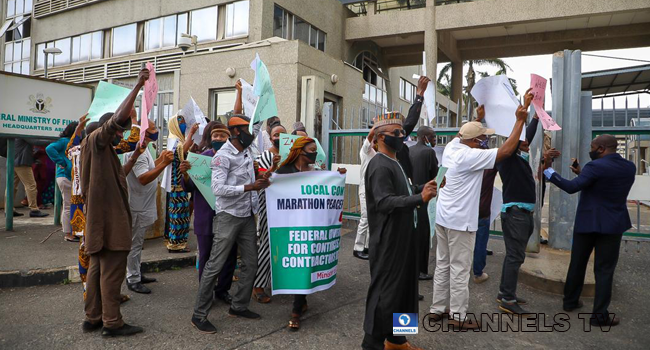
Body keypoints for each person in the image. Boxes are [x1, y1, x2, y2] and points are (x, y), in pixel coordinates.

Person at [430, 90, 532, 329]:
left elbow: (463, 133)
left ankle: (437, 309)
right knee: (460, 269)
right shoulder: (470, 155)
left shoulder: (453, 147)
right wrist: (519, 120)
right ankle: (458, 316)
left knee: (443, 264)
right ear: (474, 142)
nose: (484, 141)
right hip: (459, 222)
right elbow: (506, 151)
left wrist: (479, 118)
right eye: (482, 138)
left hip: (444, 217)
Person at [80, 68, 149, 337]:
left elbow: (117, 177)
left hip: (99, 223)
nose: (122, 135)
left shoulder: (99, 152)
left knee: (97, 271)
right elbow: (116, 122)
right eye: (121, 131)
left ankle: (93, 317)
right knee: (111, 273)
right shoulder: (97, 140)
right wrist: (137, 86)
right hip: (109, 224)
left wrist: (134, 157)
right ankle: (112, 322)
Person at [362, 113, 437, 350]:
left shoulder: (394, 162)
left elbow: (402, 190)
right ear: (380, 137)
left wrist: (421, 188)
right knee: (386, 296)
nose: (402, 136)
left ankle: (398, 341)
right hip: (389, 243)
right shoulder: (379, 164)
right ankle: (372, 343)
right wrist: (418, 198)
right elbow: (384, 202)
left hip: (405, 239)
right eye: (396, 133)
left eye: (402, 132)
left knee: (406, 292)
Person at [543, 134, 635, 327]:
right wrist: (582, 173)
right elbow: (602, 185)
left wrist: (548, 171)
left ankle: (570, 302)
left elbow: (570, 188)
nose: (590, 150)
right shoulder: (629, 167)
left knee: (578, 262)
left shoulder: (595, 167)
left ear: (601, 149)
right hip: (613, 225)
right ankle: (600, 316)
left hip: (588, 223)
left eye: (592, 147)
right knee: (604, 270)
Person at [191, 115, 270, 334]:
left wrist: (262, 180)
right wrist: (249, 187)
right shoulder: (222, 156)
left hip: (247, 215)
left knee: (251, 262)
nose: (251, 135)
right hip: (228, 216)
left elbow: (253, 180)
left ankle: (239, 306)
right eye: (247, 130)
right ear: (235, 132)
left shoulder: (246, 152)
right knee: (215, 264)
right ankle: (199, 315)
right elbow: (218, 189)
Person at [270, 136, 346, 331]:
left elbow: (327, 190)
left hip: (311, 228)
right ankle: (298, 307)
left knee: (307, 264)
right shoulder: (284, 172)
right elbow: (272, 190)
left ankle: (297, 307)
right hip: (290, 226)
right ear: (300, 151)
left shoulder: (316, 173)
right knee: (297, 264)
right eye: (312, 150)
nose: (315, 153)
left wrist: (338, 176)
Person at [68, 112, 140, 301]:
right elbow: (131, 143)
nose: (118, 136)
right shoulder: (101, 147)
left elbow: (69, 145)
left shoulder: (75, 149)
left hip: (77, 205)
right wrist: (135, 120)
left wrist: (78, 129)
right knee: (99, 255)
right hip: (92, 205)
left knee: (87, 251)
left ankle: (89, 293)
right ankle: (99, 298)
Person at [181, 123, 238, 305]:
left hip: (229, 214)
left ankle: (223, 290)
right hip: (206, 215)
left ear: (229, 138)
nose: (218, 139)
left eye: (223, 136)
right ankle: (205, 293)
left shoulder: (236, 159)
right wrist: (186, 174)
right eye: (216, 136)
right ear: (210, 138)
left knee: (229, 255)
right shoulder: (200, 159)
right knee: (206, 255)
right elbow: (188, 187)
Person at [495, 108, 542, 314]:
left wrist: (535, 118)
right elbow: (519, 139)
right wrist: (520, 121)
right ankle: (507, 298)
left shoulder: (520, 159)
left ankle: (505, 292)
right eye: (521, 143)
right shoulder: (507, 158)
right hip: (515, 214)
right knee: (515, 256)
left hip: (521, 214)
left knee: (514, 255)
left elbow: (527, 137)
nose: (526, 145)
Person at [123, 120, 173, 294]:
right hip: (137, 205)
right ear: (143, 132)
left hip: (143, 203)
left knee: (138, 242)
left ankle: (136, 272)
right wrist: (165, 164)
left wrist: (161, 159)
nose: (157, 130)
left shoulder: (144, 148)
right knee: (134, 244)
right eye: (152, 128)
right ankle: (133, 279)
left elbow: (151, 166)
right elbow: (143, 177)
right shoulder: (136, 150)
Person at [252, 123, 286, 303]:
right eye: (275, 135)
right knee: (266, 243)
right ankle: (257, 285)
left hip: (288, 207)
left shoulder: (292, 155)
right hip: (269, 206)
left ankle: (278, 281)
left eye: (283, 134)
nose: (279, 138)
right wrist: (274, 166)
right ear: (270, 137)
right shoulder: (265, 156)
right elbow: (263, 180)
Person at [409, 125, 439, 280]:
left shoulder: (410, 151)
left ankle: (414, 268)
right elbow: (436, 176)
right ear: (424, 137)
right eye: (433, 137)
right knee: (424, 236)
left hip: (411, 197)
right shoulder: (429, 152)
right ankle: (421, 270)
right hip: (425, 198)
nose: (435, 139)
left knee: (413, 236)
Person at [164, 114, 192, 253]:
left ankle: (179, 242)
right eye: (180, 122)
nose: (183, 124)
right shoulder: (173, 140)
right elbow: (182, 151)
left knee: (182, 215)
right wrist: (191, 134)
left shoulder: (178, 139)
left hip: (181, 183)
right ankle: (175, 244)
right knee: (178, 215)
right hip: (176, 184)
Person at [46, 122, 78, 242]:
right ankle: (68, 234)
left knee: (70, 205)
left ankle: (72, 232)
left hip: (69, 178)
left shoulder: (71, 141)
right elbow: (49, 148)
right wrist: (62, 162)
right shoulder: (66, 141)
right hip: (66, 177)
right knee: (68, 205)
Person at [353, 127, 377, 260]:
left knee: (371, 219)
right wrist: (376, 126)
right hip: (365, 190)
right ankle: (358, 248)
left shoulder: (375, 153)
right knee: (365, 219)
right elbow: (369, 137)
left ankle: (367, 246)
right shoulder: (366, 150)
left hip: (372, 190)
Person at [11, 139, 49, 217]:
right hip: (22, 163)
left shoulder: (15, 132)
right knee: (31, 185)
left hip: (13, 161)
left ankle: (9, 209)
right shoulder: (23, 132)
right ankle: (34, 209)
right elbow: (36, 141)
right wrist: (54, 140)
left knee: (12, 187)